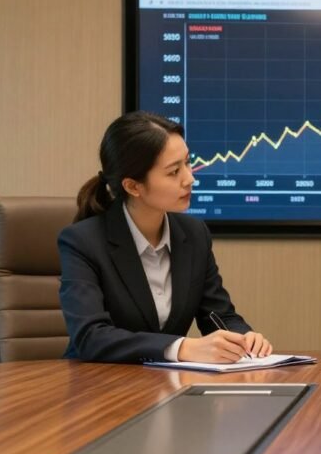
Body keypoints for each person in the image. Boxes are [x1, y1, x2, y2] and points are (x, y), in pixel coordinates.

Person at [58, 111, 272, 364]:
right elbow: (91, 337)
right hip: (97, 389)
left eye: (187, 163)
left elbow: (217, 315)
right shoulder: (83, 242)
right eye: (173, 172)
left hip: (164, 387)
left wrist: (243, 337)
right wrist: (180, 348)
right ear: (133, 186)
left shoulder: (194, 234)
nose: (190, 178)